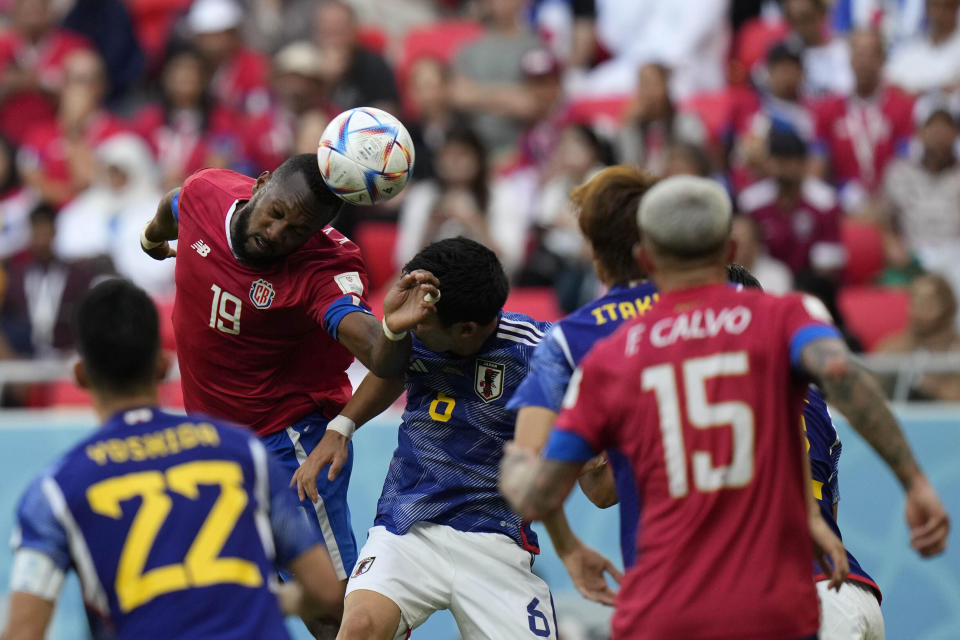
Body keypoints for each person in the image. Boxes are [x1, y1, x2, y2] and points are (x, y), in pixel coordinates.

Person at [501, 175, 949, 639]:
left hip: (679, 609)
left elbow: (540, 491)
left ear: (647, 258)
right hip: (806, 598)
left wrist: (530, 483)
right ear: (732, 246)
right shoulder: (785, 318)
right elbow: (844, 380)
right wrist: (914, 484)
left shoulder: (615, 358)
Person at [140, 153, 439, 637]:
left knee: (328, 607)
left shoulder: (321, 267)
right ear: (260, 185)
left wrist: (391, 329)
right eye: (275, 213)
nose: (278, 234)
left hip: (287, 441)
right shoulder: (207, 192)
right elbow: (174, 206)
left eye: (297, 230)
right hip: (217, 442)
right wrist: (152, 239)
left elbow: (381, 356)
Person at [0, 279, 344, 640]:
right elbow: (323, 589)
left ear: (81, 376)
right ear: (163, 365)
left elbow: (23, 633)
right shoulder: (244, 453)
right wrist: (246, 599)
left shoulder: (55, 491)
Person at [292, 238, 558, 640]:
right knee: (359, 627)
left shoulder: (539, 352)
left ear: (467, 330)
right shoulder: (415, 331)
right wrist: (340, 428)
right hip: (407, 525)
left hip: (494, 538)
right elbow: (392, 369)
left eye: (421, 324)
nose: (412, 327)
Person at [508, 165, 657, 605]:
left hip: (662, 581)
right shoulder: (728, 315)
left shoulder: (570, 342)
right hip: (759, 573)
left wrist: (567, 545)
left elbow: (528, 478)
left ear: (592, 249)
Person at [811, 29, 914, 215]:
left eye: (871, 54)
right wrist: (842, 192)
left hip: (892, 206)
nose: (865, 62)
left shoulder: (903, 108)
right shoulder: (827, 110)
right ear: (850, 59)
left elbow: (905, 163)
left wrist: (885, 199)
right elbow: (817, 168)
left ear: (883, 60)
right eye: (859, 54)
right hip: (841, 206)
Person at [876, 273, 960, 402]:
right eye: (915, 302)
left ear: (947, 306)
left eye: (928, 302)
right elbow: (873, 390)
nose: (919, 310)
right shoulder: (892, 347)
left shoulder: (956, 348)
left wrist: (935, 388)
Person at [884, 0, 960, 95]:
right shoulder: (911, 48)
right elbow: (890, 80)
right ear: (927, 8)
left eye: (947, 7)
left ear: (956, 7)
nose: (940, 13)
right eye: (936, 6)